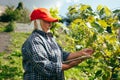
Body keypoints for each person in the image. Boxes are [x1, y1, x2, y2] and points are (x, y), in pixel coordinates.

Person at [22, 8, 94, 80]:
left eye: (51, 21)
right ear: (36, 22)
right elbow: (43, 65)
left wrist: (81, 53)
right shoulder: (34, 40)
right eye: (46, 21)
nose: (50, 24)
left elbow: (61, 55)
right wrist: (69, 66)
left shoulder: (49, 38)